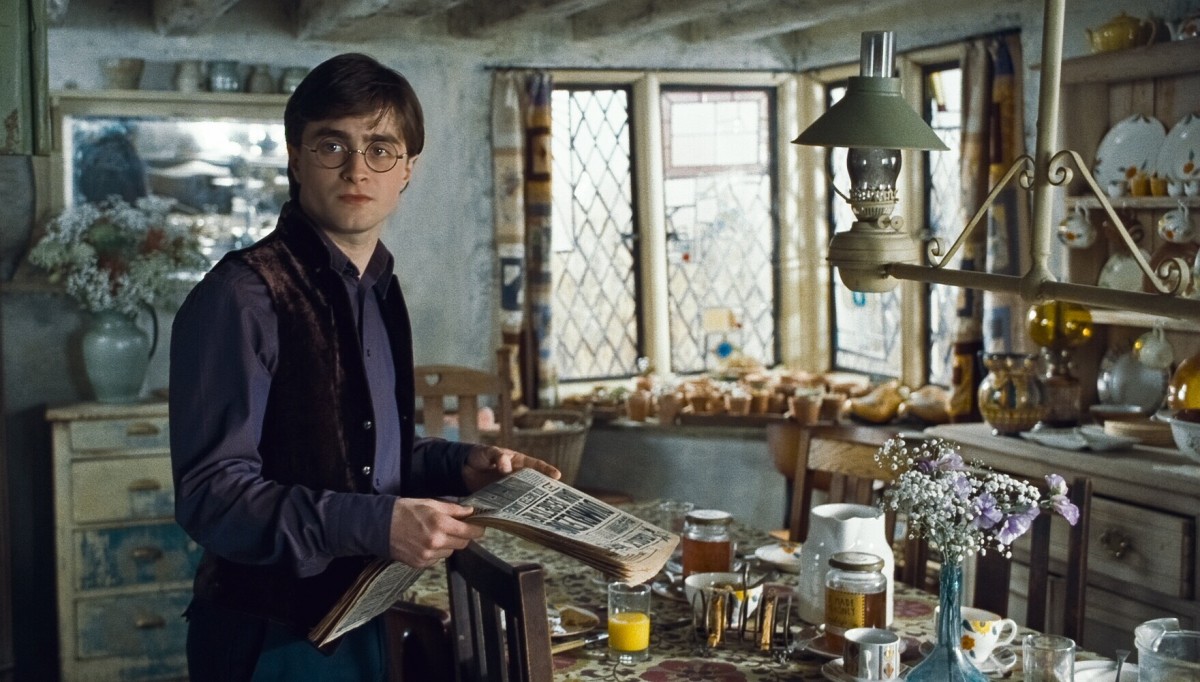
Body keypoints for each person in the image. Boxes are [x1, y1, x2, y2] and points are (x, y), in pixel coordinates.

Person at [169, 52, 560, 681]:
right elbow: (212, 498)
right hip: (269, 636)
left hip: (362, 615)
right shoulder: (242, 295)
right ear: (295, 157)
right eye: (333, 146)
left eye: (380, 149)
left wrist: (459, 465)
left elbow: (360, 451)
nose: (357, 169)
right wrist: (380, 523)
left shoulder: (378, 286)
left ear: (407, 170)